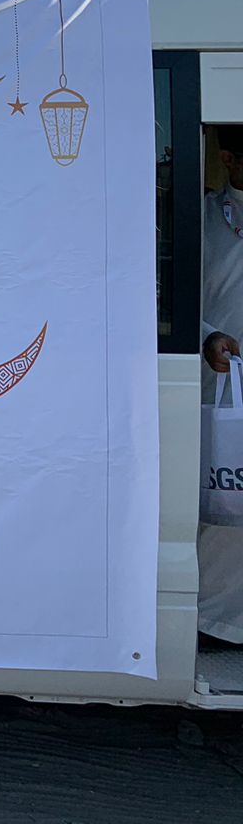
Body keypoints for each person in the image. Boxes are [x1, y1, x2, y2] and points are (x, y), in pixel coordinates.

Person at [198, 125, 243, 643]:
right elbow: (172, 296)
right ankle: (215, 623)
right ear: (228, 158)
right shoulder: (204, 218)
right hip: (221, 384)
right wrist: (207, 337)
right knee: (224, 504)